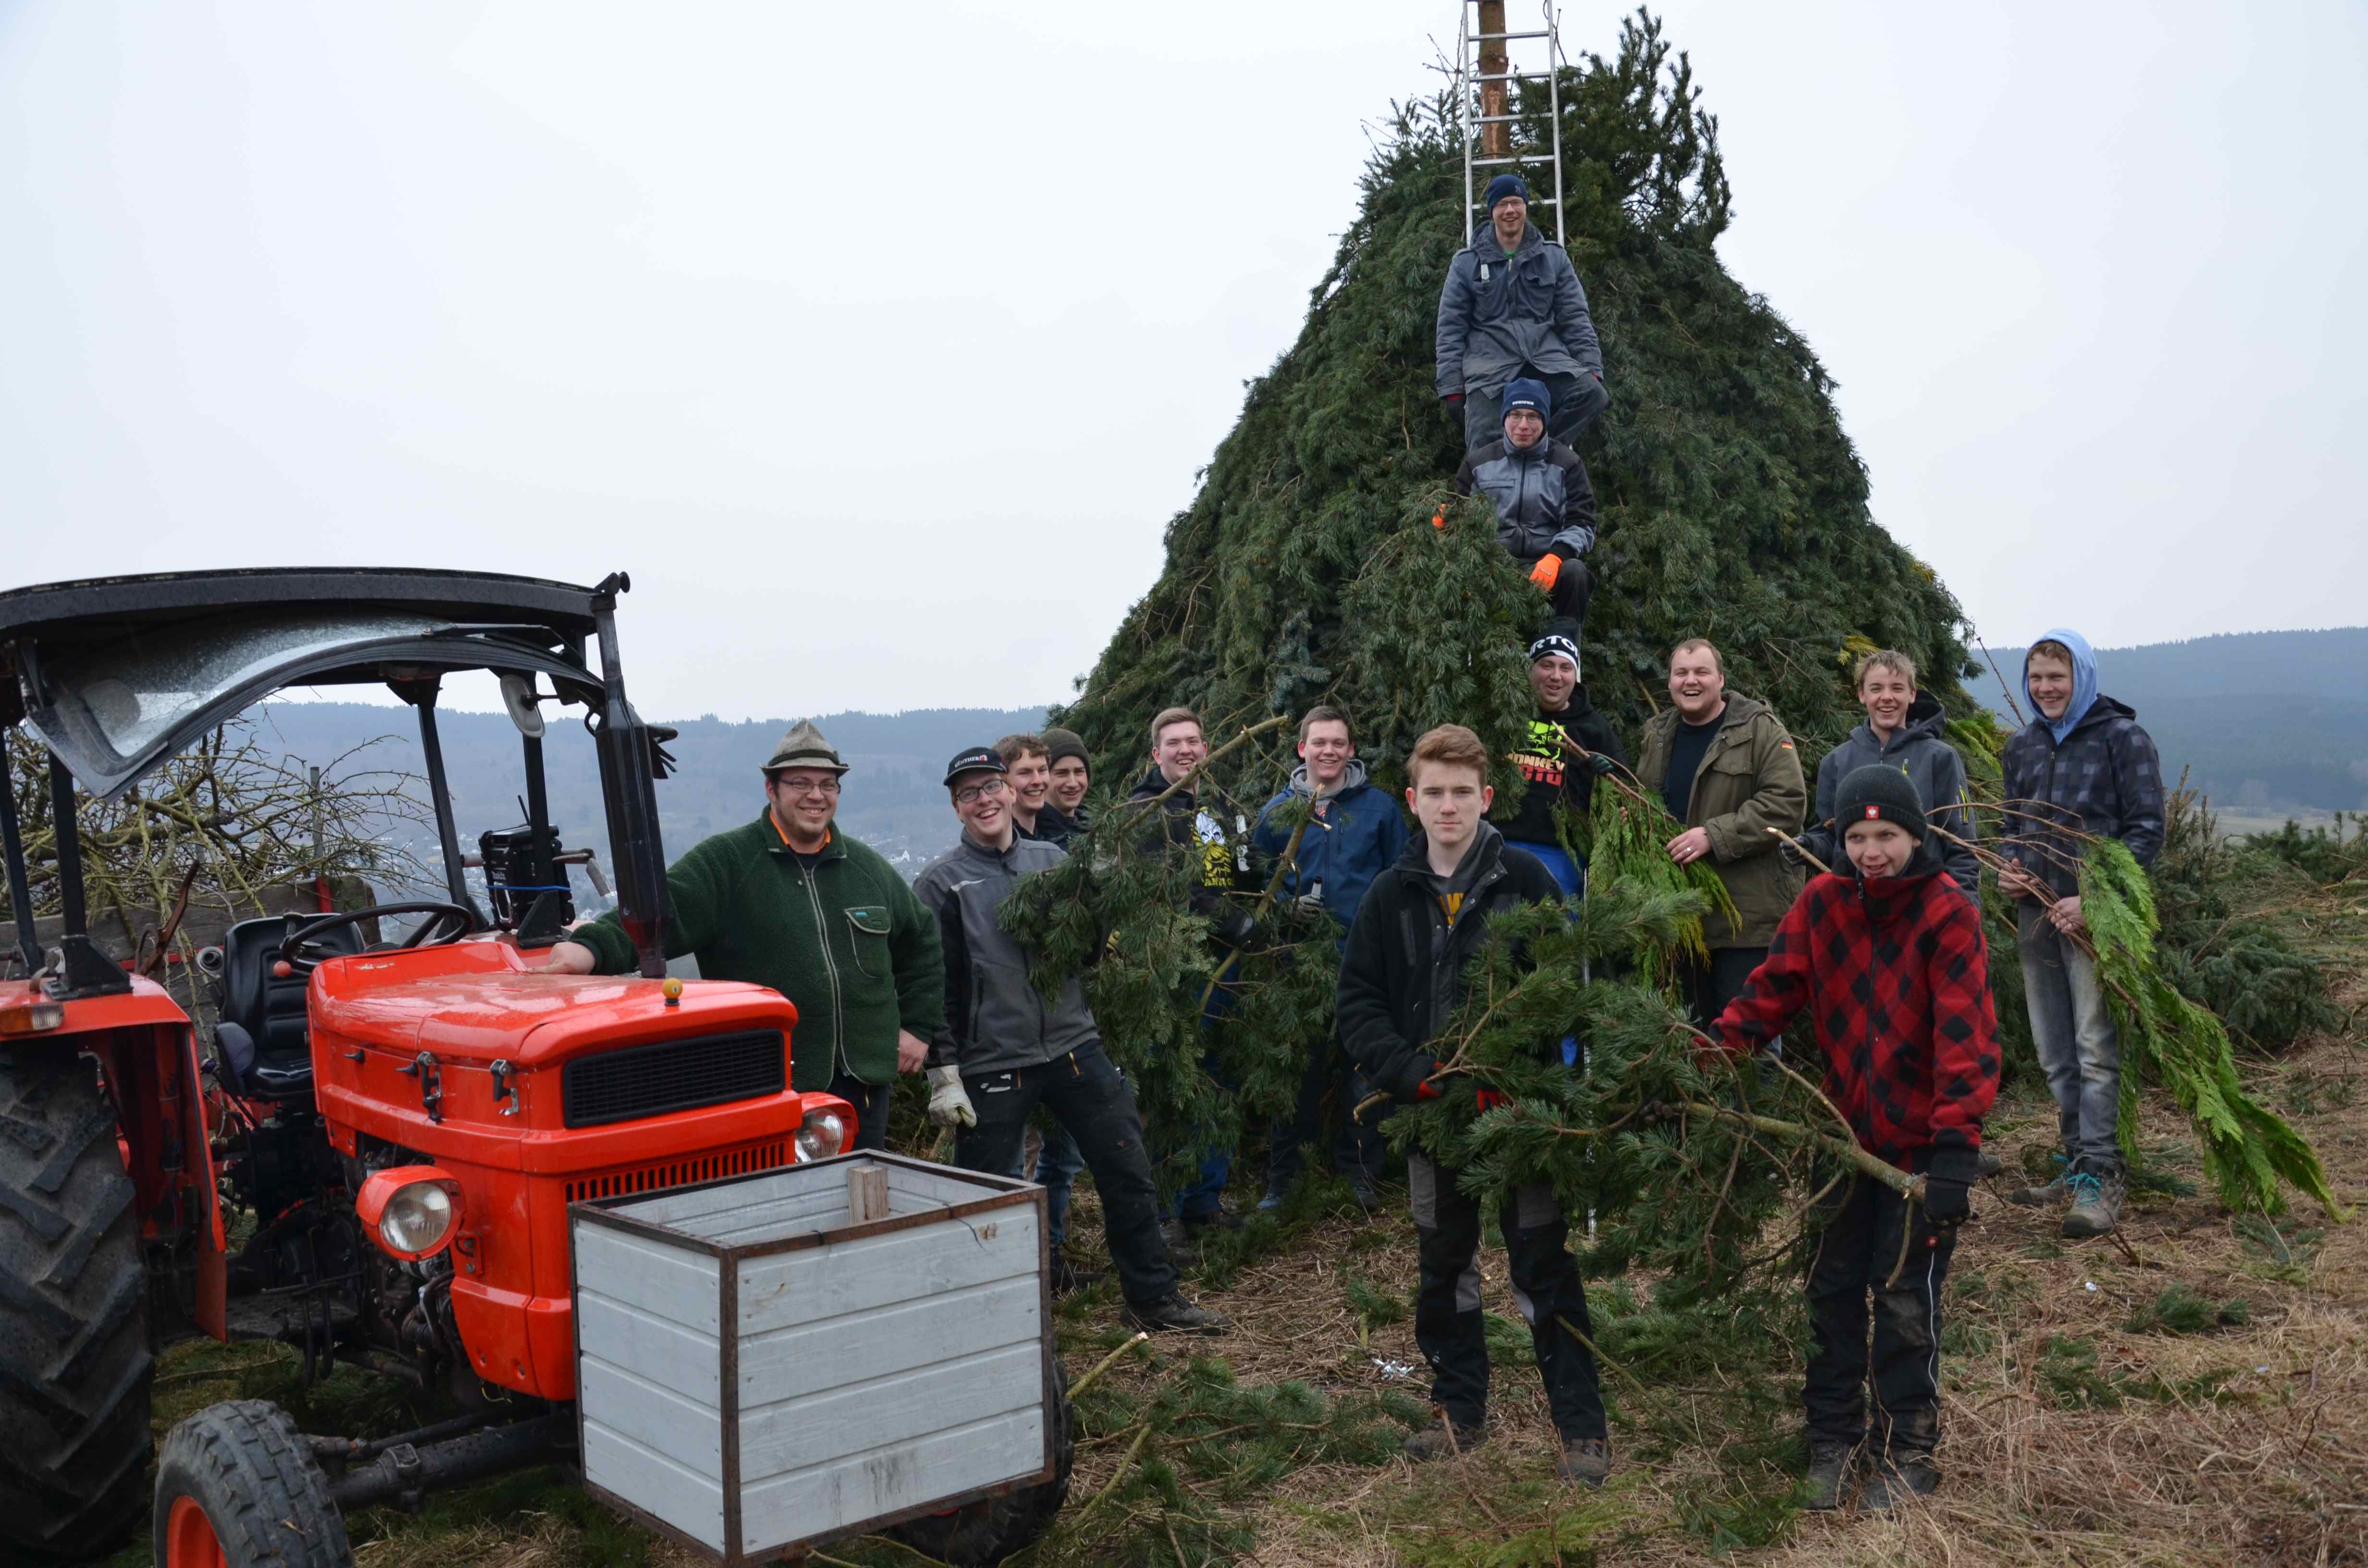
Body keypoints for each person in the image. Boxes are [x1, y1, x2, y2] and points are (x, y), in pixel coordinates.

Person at [1704, 765, 2000, 1510]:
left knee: (1903, 1299)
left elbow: (1967, 1039)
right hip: (1841, 1139)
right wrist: (1707, 1057)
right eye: (1858, 837)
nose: (1872, 852)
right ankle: (1834, 1439)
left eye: (1888, 837)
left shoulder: (1946, 914)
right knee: (1831, 1291)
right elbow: (1773, 989)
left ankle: (1909, 1448)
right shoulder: (1823, 902)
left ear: (1916, 837)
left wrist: (1956, 1153)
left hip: (1916, 1151)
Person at [1337, 724, 1612, 1487]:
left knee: (1543, 1267)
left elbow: (1559, 986)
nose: (1449, 805)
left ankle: (1582, 1429)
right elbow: (1358, 1003)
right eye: (1435, 793)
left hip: (1513, 1116)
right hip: (1432, 1119)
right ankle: (1460, 1412)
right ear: (1413, 801)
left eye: (1463, 792)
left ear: (1486, 797)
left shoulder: (1524, 878)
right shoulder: (1390, 897)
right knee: (1445, 1267)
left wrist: (1515, 1071)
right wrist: (1412, 1073)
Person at [915, 746, 1228, 1335]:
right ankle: (991, 1318)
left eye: (991, 787)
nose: (984, 800)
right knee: (987, 1195)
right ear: (957, 808)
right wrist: (944, 1069)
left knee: (1125, 1167)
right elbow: (938, 989)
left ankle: (1152, 1298)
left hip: (1072, 1046)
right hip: (992, 1060)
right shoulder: (942, 885)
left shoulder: (1051, 862)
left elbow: (1083, 953)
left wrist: (1102, 904)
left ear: (1011, 792)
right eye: (968, 793)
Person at [543, 720, 938, 1151]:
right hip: (768, 1081)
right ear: (771, 790)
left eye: (828, 785)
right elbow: (659, 911)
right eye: (800, 783)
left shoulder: (867, 869)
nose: (816, 796)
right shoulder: (728, 861)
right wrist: (592, 948)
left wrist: (917, 1028)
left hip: (863, 1083)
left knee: (863, 1198)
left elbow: (922, 940)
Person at [1998, 629, 2165, 1239]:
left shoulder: (2123, 739)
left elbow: (2146, 832)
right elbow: (2012, 825)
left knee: (2095, 1049)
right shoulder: (2021, 746)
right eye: (2036, 678)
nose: (2044, 689)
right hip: (2035, 917)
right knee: (2053, 1050)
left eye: (2056, 678)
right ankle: (2075, 1163)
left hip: (2094, 920)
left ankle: (2103, 1175)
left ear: (2082, 678)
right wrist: (2008, 865)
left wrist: (2091, 903)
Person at [1247, 704, 1408, 1213]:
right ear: (1302, 749)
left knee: (1363, 1075)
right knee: (1296, 1077)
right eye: (1319, 742)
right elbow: (1253, 889)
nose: (1328, 751)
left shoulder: (1379, 810)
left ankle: (1361, 1177)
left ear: (1351, 750)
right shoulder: (1276, 813)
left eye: (1338, 743)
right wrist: (1281, 911)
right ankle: (1283, 1182)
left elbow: (1401, 879)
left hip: (1363, 966)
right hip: (1297, 968)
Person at [1129, 707, 1260, 1244]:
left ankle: (1203, 1201)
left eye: (1194, 741)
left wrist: (1260, 905)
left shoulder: (1223, 806)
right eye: (1174, 742)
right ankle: (1162, 1211)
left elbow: (1245, 867)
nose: (1186, 750)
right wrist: (1237, 922)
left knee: (1219, 1085)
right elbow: (1175, 892)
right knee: (1174, 1089)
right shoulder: (1147, 812)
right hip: (1177, 970)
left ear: (1207, 748)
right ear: (1155, 754)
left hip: (1226, 967)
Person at [1634, 639, 1807, 1026]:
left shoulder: (1759, 729)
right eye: (1681, 673)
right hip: (1682, 919)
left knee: (1747, 1043)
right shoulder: (1657, 734)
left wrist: (1713, 835)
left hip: (1746, 922)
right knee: (1688, 1040)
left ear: (1721, 679)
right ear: (1671, 681)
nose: (1690, 681)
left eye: (1701, 673)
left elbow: (1787, 804)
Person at [1436, 172, 1607, 452]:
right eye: (1502, 204)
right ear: (1492, 210)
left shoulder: (1553, 258)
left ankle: (1542, 454)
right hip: (1489, 368)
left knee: (1592, 395)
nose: (1510, 211)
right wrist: (1452, 386)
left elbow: (1576, 319)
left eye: (1516, 202)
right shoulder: (1466, 264)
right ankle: (1489, 491)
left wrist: (1591, 367)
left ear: (1526, 207)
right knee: (1482, 438)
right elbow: (1450, 328)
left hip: (1546, 361)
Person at [1798, 650, 1980, 899]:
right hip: (1854, 906)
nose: (1887, 698)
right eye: (1876, 689)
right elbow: (1830, 834)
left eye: (1897, 688)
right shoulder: (1836, 762)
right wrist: (1809, 846)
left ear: (1912, 694)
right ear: (1862, 695)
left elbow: (1962, 845)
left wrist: (1965, 906)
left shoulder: (1940, 758)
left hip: (1923, 904)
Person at [1496, 622, 1626, 897]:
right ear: (1530, 669)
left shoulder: (1594, 728)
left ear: (1575, 676)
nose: (1556, 676)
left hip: (1561, 854)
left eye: (1566, 668)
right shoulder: (1504, 714)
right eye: (1546, 665)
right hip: (1498, 842)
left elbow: (1625, 792)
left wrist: (1605, 775)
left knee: (1554, 933)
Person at [1453, 381, 1600, 625]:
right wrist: (1445, 519)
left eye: (1533, 416)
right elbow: (1457, 511)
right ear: (1504, 418)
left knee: (1576, 573)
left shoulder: (1568, 463)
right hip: (1492, 566)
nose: (1523, 425)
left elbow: (1583, 523)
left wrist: (1556, 557)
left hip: (1545, 565)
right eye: (1516, 415)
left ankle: (1564, 650)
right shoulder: (1478, 462)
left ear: (1545, 421)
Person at [998, 732, 1072, 846]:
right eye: (1025, 773)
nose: (1038, 781)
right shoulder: (1001, 847)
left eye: (1042, 770)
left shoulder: (1061, 837)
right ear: (1003, 780)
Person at [1044, 726, 1094, 832]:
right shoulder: (1032, 837)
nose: (1073, 783)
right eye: (1062, 773)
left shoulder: (1097, 830)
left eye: (1079, 772)